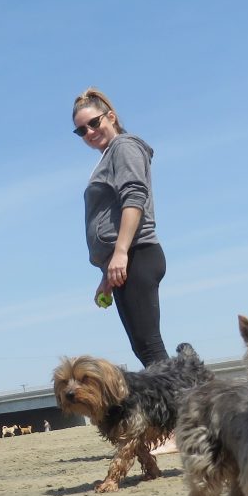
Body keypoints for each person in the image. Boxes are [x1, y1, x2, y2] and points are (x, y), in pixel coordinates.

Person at [73, 88, 177, 453]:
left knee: (151, 347)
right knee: (142, 345)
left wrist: (120, 253)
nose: (89, 133)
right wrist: (107, 271)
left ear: (111, 116)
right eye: (81, 130)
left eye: (93, 123)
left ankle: (176, 427)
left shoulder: (125, 147)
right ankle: (175, 425)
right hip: (123, 262)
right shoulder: (107, 155)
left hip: (137, 254)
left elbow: (135, 198)